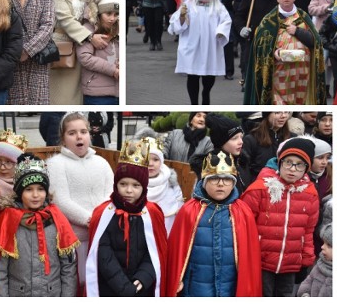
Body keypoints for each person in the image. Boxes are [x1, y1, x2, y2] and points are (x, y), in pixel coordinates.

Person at [166, 150, 261, 296]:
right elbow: (177, 253)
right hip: (196, 287)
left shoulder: (243, 212)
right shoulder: (189, 210)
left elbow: (249, 259)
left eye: (227, 179)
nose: (221, 184)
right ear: (204, 182)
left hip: (230, 288)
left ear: (233, 183)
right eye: (214, 179)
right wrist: (177, 279)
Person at [85, 139, 168, 297]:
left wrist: (143, 278)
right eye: (123, 184)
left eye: (136, 185)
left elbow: (156, 252)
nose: (129, 190)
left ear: (144, 187)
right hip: (110, 289)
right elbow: (102, 253)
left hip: (142, 288)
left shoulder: (152, 213)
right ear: (116, 184)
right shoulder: (104, 213)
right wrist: (123, 287)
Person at [0, 154, 79, 297]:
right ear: (19, 192)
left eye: (40, 189)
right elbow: (0, 271)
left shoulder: (57, 220)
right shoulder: (8, 221)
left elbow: (68, 268)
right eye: (29, 189)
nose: (36, 195)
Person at [241, 137, 320, 296]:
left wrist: (305, 261)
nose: (292, 169)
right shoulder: (260, 189)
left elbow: (308, 231)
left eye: (299, 165)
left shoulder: (310, 194)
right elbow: (243, 226)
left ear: (306, 168)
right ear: (279, 162)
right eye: (288, 162)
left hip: (290, 263)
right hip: (261, 261)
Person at [47, 112, 114, 292]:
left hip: (103, 237)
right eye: (72, 133)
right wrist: (92, 220)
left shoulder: (101, 162)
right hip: (75, 241)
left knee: (101, 285)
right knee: (77, 285)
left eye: (83, 131)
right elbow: (61, 200)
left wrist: (103, 219)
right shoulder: (56, 164)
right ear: (63, 138)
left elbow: (111, 193)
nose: (79, 136)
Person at [244, 0, 326, 105]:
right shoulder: (268, 21)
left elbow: (316, 42)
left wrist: (298, 31)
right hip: (279, 75)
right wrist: (274, 52)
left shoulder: (304, 17)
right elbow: (261, 49)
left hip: (303, 75)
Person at [169, 0, 232, 105]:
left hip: (210, 46)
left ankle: (206, 95)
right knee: (193, 75)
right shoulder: (188, 4)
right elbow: (175, 26)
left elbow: (226, 21)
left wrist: (221, 32)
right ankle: (194, 104)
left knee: (209, 77)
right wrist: (181, 16)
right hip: (192, 45)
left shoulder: (218, 7)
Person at [5, 0, 55, 105]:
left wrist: (28, 49)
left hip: (36, 59)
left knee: (37, 102)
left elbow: (48, 24)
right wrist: (13, 51)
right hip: (8, 57)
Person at [50, 0, 101, 105]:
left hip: (88, 49)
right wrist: (90, 36)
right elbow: (65, 19)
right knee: (62, 97)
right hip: (64, 46)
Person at [234, 0, 278, 89]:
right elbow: (239, 15)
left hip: (274, 42)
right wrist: (241, 28)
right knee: (252, 78)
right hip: (253, 41)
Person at [77, 0, 120, 105]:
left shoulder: (117, 29)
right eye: (108, 14)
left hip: (118, 91)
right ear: (99, 13)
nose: (112, 18)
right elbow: (84, 57)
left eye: (116, 14)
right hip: (96, 92)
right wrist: (113, 70)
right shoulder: (88, 29)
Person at [241, 112, 294, 186]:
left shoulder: (292, 139)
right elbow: (245, 169)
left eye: (286, 112)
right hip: (258, 187)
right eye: (278, 112)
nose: (284, 116)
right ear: (267, 114)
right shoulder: (251, 139)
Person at [297, 223, 333, 297]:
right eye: (323, 243)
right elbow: (308, 281)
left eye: (329, 245)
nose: (322, 246)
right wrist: (305, 294)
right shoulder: (320, 264)